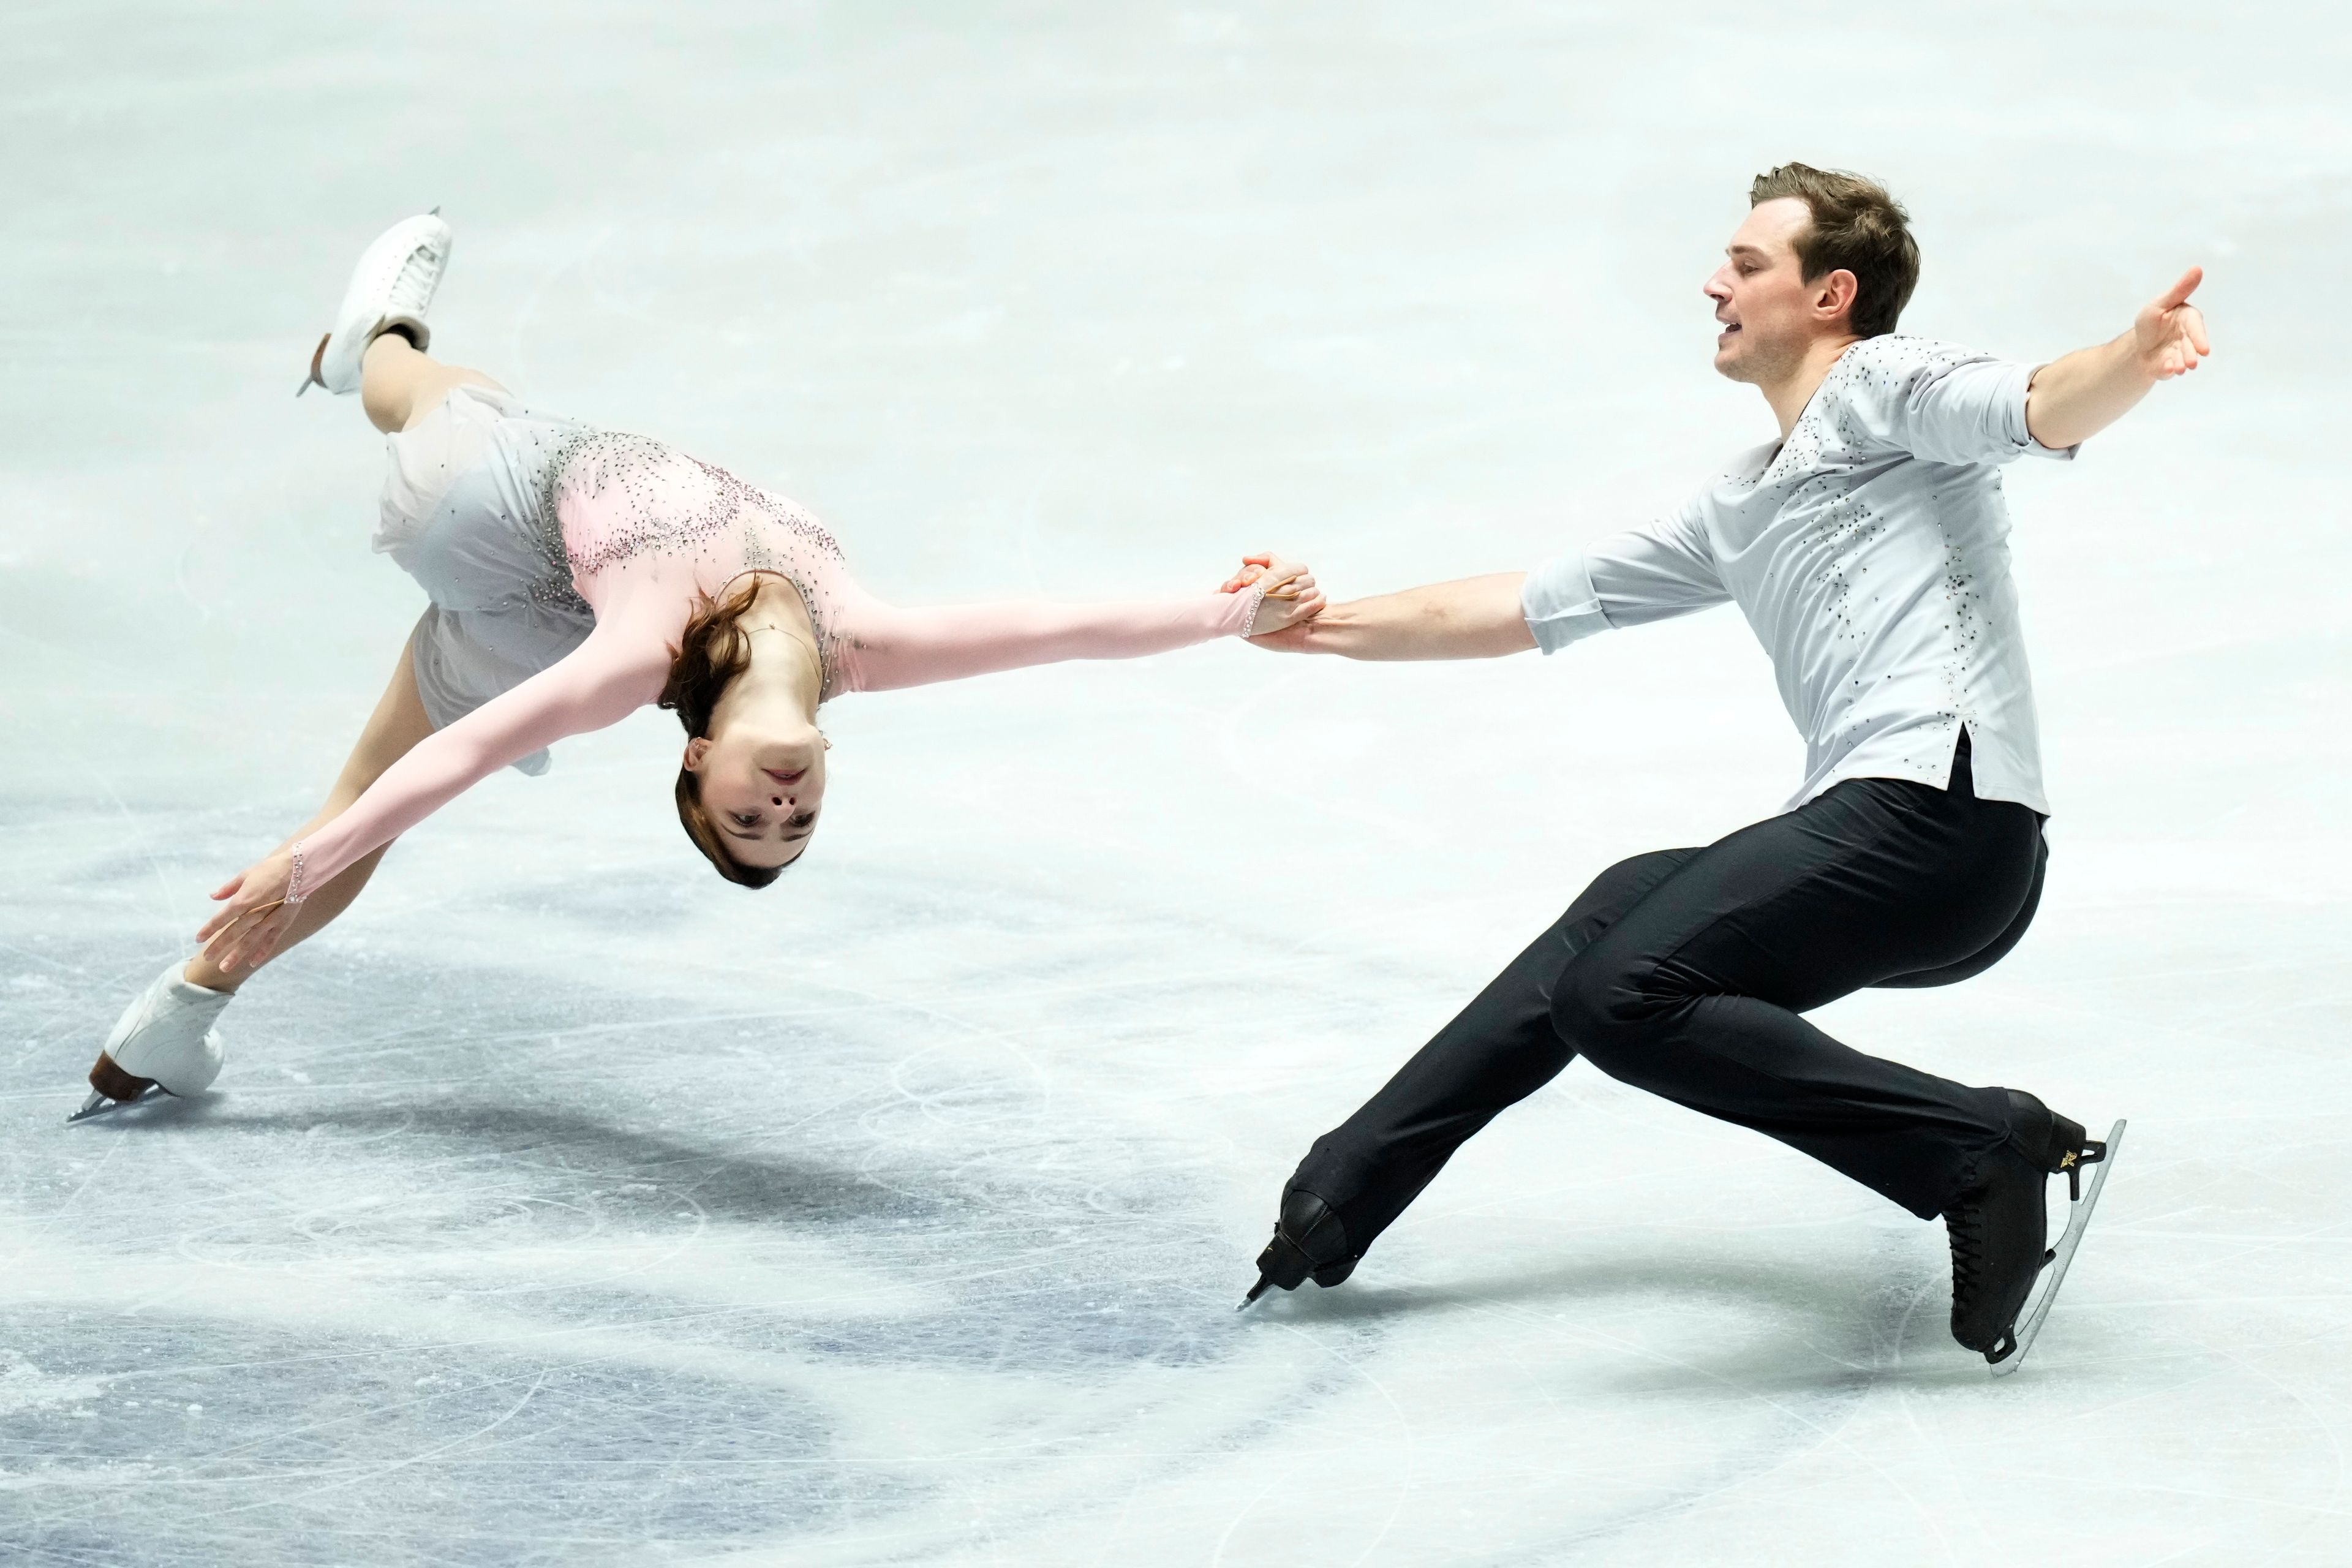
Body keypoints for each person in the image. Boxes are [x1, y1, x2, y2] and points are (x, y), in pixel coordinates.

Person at [1237, 163, 2209, 1364]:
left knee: (1621, 994)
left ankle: (1980, 1145)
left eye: (1748, 265)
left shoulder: (1885, 386)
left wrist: (2134, 350)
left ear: (1831, 294)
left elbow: (2038, 403)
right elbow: (1513, 606)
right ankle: (1348, 1185)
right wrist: (1314, 624)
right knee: (1617, 915)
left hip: (1941, 823)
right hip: (1883, 839)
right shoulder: (1740, 503)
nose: (1716, 281)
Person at [77, 213, 1322, 1121]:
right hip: (532, 604)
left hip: (474, 503)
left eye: (747, 817)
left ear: (697, 757)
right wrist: (1234, 614)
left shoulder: (638, 658)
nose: (780, 801)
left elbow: (464, 762)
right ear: (822, 762)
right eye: (797, 816)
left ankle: (376, 343)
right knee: (368, 783)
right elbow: (1060, 629)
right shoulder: (863, 645)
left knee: (449, 395)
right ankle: (175, 1015)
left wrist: (305, 853)